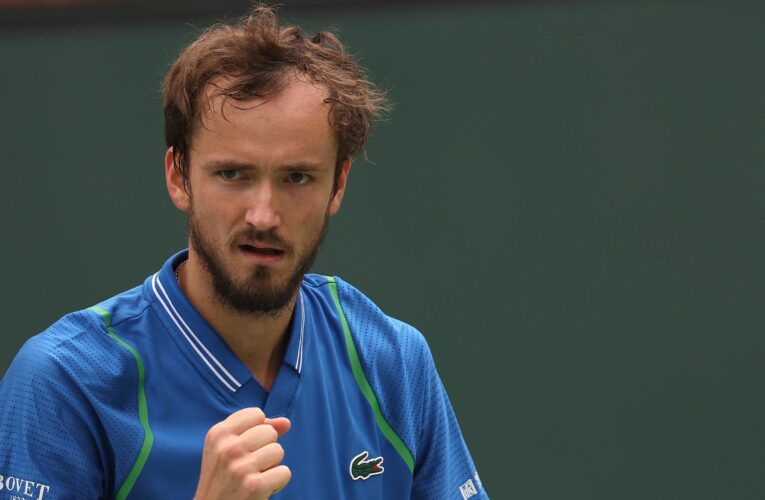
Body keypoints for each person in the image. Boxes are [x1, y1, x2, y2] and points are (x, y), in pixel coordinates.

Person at [0, 5, 487, 499]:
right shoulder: (64, 381)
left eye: (297, 177)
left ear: (337, 186)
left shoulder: (394, 363)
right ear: (179, 176)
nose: (263, 215)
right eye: (233, 174)